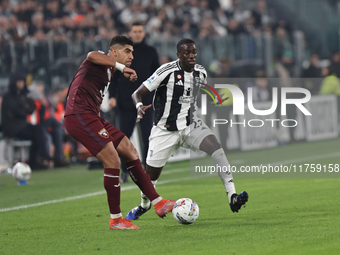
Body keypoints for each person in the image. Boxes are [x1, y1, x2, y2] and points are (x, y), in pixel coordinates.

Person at [126, 39, 248, 220]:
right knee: (150, 179)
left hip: (190, 124)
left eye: (194, 52)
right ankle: (144, 205)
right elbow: (136, 93)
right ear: (178, 55)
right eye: (187, 53)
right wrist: (138, 107)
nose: (191, 56)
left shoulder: (201, 72)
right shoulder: (165, 71)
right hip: (164, 130)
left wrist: (214, 98)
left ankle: (232, 196)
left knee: (217, 150)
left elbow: (196, 92)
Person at [64, 35, 175, 230]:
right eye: (127, 51)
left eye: (132, 51)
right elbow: (91, 55)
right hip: (78, 115)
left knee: (130, 150)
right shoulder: (99, 58)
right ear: (114, 51)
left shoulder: (109, 70)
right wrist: (121, 67)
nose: (131, 55)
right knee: (113, 160)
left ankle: (158, 202)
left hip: (92, 116)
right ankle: (116, 219)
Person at [109, 22, 159, 183]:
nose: (137, 34)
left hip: (146, 103)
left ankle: (146, 172)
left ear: (144, 33)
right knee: (123, 139)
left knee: (147, 138)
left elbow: (157, 77)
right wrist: (112, 96)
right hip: (125, 103)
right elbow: (114, 77)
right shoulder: (122, 53)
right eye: (134, 31)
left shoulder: (151, 52)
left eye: (140, 31)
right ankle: (124, 171)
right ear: (130, 33)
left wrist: (158, 97)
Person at [1, 72, 47, 169]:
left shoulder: (22, 95)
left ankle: (37, 159)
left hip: (22, 124)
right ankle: (36, 160)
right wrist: (23, 109)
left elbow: (31, 108)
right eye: (19, 82)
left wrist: (22, 110)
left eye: (22, 82)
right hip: (12, 128)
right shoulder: (8, 96)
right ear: (14, 83)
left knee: (38, 131)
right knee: (36, 133)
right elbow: (17, 111)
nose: (21, 84)